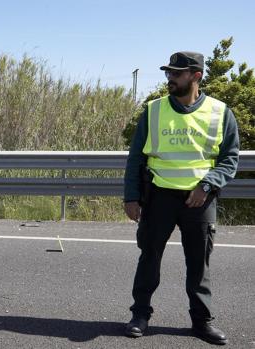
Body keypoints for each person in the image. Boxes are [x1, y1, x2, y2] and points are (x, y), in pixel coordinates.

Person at [123, 51, 240, 345]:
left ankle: (202, 322)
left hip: (200, 201)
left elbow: (229, 159)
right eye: (168, 73)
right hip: (158, 197)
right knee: (149, 258)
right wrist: (131, 197)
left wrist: (206, 186)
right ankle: (140, 315)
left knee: (199, 264)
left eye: (176, 73)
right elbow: (136, 157)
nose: (170, 79)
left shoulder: (220, 112)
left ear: (195, 76)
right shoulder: (153, 110)